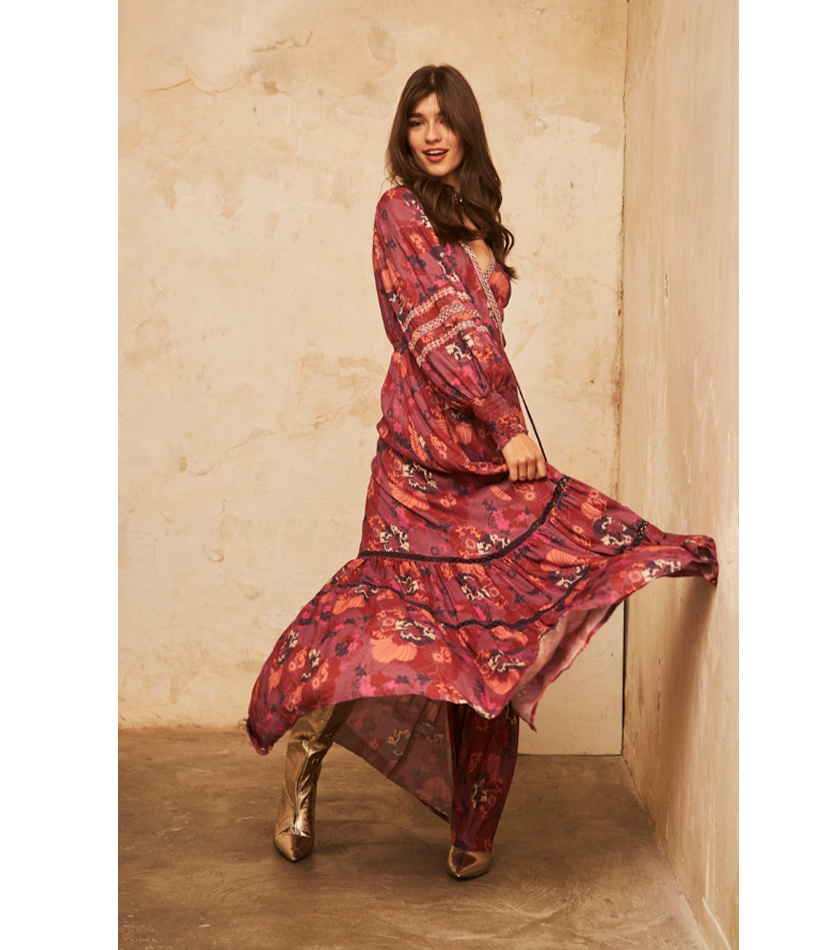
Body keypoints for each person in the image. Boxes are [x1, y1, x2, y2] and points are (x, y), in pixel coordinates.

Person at [246, 64, 719, 880]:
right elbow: (441, 335)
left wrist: (500, 433)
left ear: (467, 128)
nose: (431, 134)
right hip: (417, 460)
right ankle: (305, 757)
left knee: (494, 633)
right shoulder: (399, 212)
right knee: (384, 624)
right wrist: (508, 425)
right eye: (417, 120)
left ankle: (475, 818)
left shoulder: (478, 223)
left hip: (486, 462)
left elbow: (483, 335)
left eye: (444, 119)